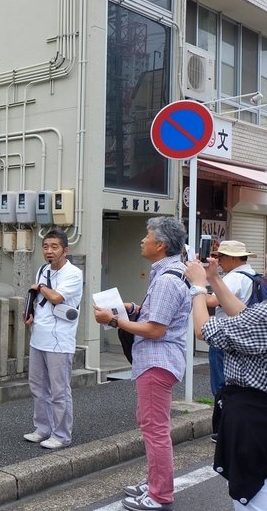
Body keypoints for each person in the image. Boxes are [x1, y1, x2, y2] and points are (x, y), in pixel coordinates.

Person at [93, 216, 191, 511]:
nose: (142, 240)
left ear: (160, 245)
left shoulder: (167, 280)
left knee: (155, 429)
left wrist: (114, 320)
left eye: (146, 236)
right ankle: (155, 483)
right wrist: (133, 308)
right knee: (152, 425)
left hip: (157, 362)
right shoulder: (170, 272)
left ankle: (160, 494)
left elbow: (155, 330)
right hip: (159, 361)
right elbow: (155, 317)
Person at [185, 256, 267, 511]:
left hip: (254, 414)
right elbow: (246, 316)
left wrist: (198, 287)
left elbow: (205, 330)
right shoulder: (260, 315)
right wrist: (214, 279)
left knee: (252, 491)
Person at [22, 228, 83, 450]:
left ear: (65, 250)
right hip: (38, 336)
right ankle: (43, 429)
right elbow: (40, 299)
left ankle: (62, 435)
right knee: (37, 387)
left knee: (59, 390)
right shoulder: (42, 269)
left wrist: (39, 286)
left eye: (54, 247)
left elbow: (57, 298)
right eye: (46, 246)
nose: (49, 251)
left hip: (60, 340)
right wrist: (30, 314)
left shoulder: (74, 273)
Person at [201, 240, 255, 442]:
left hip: (226, 337)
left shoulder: (234, 278)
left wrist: (198, 288)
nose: (218, 260)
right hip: (246, 338)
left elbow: (213, 301)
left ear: (233, 258)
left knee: (221, 386)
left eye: (221, 257)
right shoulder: (252, 275)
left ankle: (223, 430)